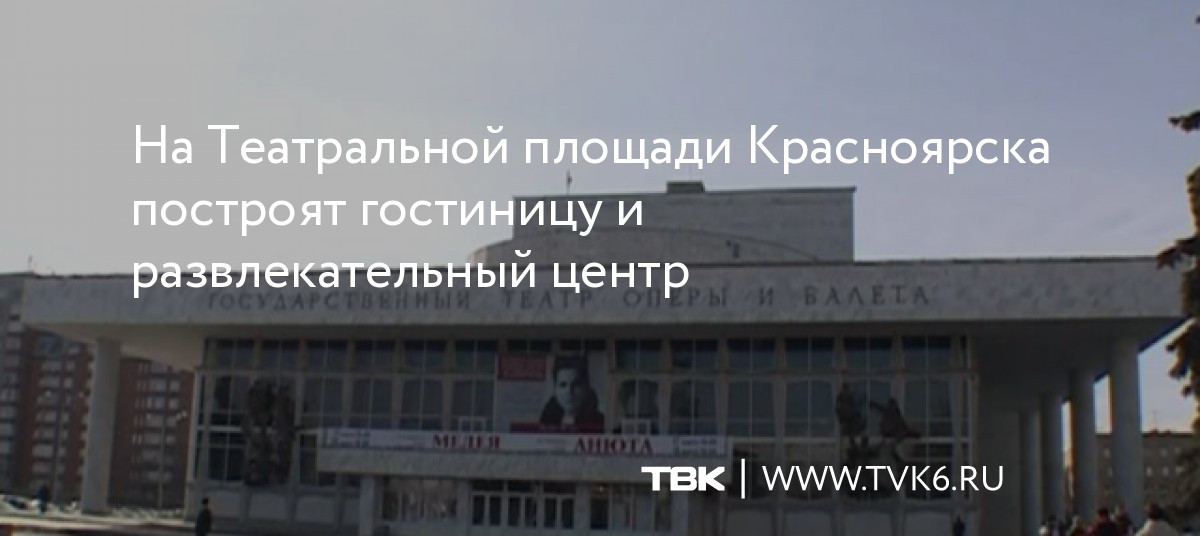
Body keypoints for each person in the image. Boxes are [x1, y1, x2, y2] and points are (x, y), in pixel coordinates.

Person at [539, 356, 604, 431]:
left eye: (575, 384)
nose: (569, 391)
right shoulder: (545, 423)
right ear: (555, 389)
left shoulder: (601, 422)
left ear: (586, 387)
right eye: (563, 385)